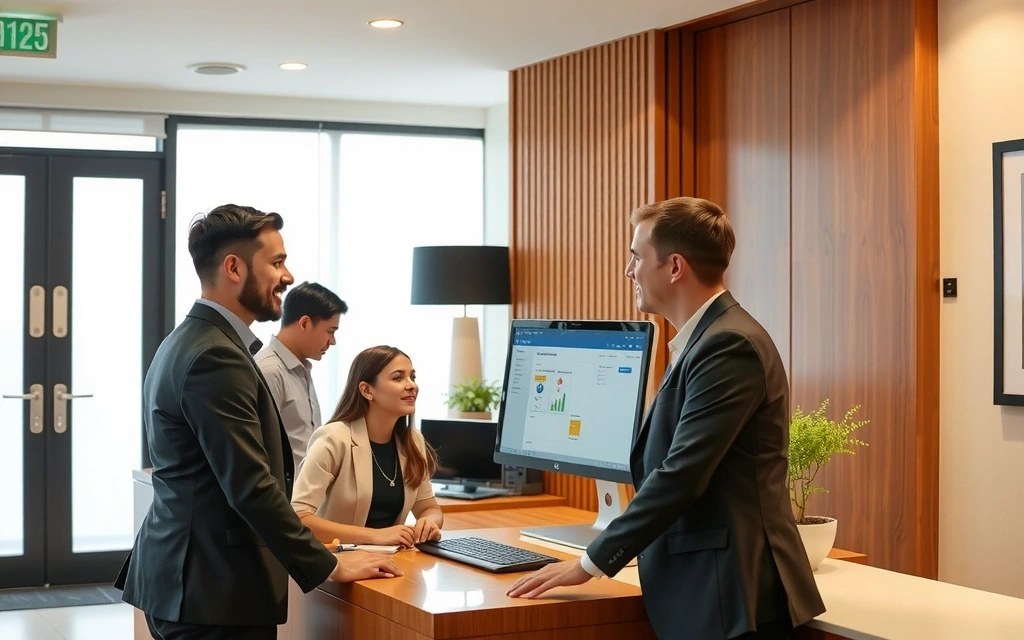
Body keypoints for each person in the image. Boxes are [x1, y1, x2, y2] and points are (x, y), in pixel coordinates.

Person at [507, 197, 825, 640]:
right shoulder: (705, 340)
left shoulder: (728, 345)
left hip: (731, 596)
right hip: (706, 590)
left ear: (674, 267)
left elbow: (681, 474)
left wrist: (589, 563)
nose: (628, 270)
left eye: (636, 256)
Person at [116, 204, 401, 640]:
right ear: (234, 267)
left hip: (191, 580)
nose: (288, 277)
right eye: (277, 262)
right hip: (211, 590)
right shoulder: (216, 355)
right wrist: (329, 562)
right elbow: (250, 486)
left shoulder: (191, 339)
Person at [291, 345, 444, 548]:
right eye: (398, 378)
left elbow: (429, 507)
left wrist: (429, 522)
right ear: (366, 390)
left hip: (391, 562)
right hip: (337, 565)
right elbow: (300, 518)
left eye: (412, 377)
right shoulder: (332, 439)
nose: (411, 386)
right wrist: (375, 536)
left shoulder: (413, 441)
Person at [256, 281, 348, 471]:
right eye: (330, 331)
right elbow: (258, 450)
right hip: (283, 497)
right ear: (305, 323)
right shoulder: (270, 371)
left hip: (307, 496)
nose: (333, 341)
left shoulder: (301, 369)